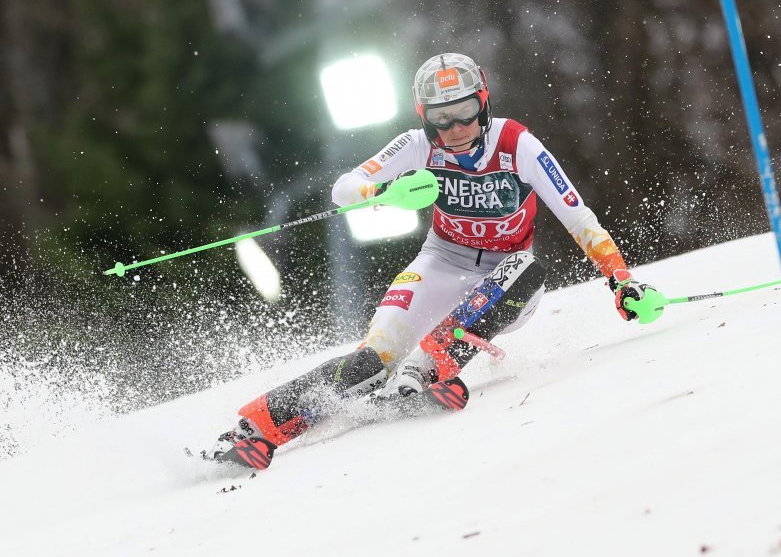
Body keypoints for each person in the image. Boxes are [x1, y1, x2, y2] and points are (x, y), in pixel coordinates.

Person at [206, 53, 655, 470]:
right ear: (425, 118)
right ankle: (256, 427)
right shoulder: (418, 145)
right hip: (441, 262)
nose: (456, 127)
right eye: (441, 118)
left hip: (505, 277)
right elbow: (343, 187)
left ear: (483, 104)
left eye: (465, 112)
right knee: (372, 359)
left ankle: (422, 371)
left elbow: (577, 216)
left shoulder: (517, 144)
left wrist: (621, 280)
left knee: (527, 269)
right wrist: (379, 193)